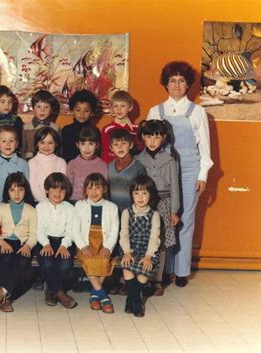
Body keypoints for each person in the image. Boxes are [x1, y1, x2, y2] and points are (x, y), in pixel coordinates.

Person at [147, 61, 213, 287]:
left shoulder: (198, 112)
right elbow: (149, 144)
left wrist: (202, 175)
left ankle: (182, 271)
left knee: (186, 219)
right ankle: (165, 269)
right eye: (172, 80)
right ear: (165, 84)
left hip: (188, 169)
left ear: (188, 85)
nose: (176, 85)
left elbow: (204, 148)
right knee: (165, 217)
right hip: (164, 170)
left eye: (181, 81)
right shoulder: (156, 111)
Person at [135, 120, 180, 295]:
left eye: (156, 136)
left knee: (160, 243)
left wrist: (174, 211)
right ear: (142, 138)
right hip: (145, 204)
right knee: (145, 240)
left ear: (163, 137)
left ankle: (158, 280)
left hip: (165, 203)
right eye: (148, 136)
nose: (152, 140)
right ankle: (143, 278)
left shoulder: (170, 160)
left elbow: (175, 187)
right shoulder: (138, 159)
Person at [0, 172, 37, 313]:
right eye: (12, 190)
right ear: (7, 191)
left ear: (26, 190)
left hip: (23, 244)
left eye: (20, 189)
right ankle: (5, 299)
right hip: (6, 242)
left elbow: (34, 234)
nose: (17, 194)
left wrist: (28, 245)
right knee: (5, 261)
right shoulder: (1, 208)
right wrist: (1, 242)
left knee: (21, 263)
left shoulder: (31, 210)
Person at [107, 128, 146, 295]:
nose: (120, 147)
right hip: (113, 213)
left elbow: (142, 190)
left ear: (131, 145)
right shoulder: (109, 166)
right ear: (111, 148)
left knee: (128, 247)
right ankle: (114, 279)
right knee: (114, 246)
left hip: (130, 214)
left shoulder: (138, 166)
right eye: (116, 144)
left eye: (124, 143)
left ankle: (126, 280)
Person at [73, 173, 119, 313]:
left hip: (103, 243)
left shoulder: (112, 207)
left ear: (104, 189)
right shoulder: (79, 205)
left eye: (98, 188)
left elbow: (114, 231)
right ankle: (103, 295)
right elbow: (75, 230)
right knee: (89, 260)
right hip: (85, 242)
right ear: (85, 190)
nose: (94, 192)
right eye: (90, 188)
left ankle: (94, 294)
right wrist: (83, 247)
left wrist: (108, 247)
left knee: (105, 260)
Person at [119, 175, 161, 317]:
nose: (140, 197)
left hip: (147, 250)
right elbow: (124, 234)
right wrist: (126, 252)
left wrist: (148, 256)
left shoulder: (154, 215)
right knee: (127, 266)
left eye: (144, 193)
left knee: (145, 269)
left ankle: (132, 299)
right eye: (136, 193)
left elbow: (154, 237)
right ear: (132, 195)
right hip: (129, 248)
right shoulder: (127, 212)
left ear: (151, 195)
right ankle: (137, 302)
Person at [36, 173, 77, 309]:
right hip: (45, 240)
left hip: (65, 241)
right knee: (47, 262)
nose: (58, 193)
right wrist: (46, 244)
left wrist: (64, 245)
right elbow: (39, 229)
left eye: (62, 189)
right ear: (47, 190)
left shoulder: (70, 208)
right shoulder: (40, 207)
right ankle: (59, 292)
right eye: (54, 189)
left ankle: (50, 291)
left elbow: (71, 230)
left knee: (65, 264)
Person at [0, 125, 29, 202]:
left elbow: (27, 187)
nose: (8, 144)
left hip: (19, 204)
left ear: (16, 144)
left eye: (11, 141)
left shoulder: (23, 164)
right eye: (3, 141)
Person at [67, 126, 108, 203]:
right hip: (75, 202)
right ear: (77, 145)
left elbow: (104, 190)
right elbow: (68, 189)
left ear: (96, 145)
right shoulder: (72, 164)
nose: (87, 148)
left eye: (91, 144)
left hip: (95, 202)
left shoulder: (102, 165)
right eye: (83, 144)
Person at [100, 90, 142, 163]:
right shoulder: (107, 129)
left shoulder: (136, 129)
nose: (119, 109)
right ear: (111, 108)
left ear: (130, 107)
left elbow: (140, 150)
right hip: (112, 168)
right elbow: (106, 153)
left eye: (123, 106)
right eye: (116, 106)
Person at [61, 89, 100, 162]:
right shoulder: (66, 130)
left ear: (92, 112)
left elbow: (98, 155)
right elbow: (64, 155)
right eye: (78, 110)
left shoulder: (95, 131)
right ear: (72, 110)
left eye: (86, 111)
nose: (82, 114)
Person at [28, 127, 66, 203]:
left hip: (57, 201)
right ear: (37, 144)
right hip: (38, 202)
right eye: (42, 142)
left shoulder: (61, 162)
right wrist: (45, 202)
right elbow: (33, 185)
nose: (46, 146)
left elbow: (61, 185)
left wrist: (54, 200)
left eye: (50, 143)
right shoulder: (32, 162)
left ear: (56, 144)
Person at [21, 90, 60, 159]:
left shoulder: (55, 128)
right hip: (29, 162)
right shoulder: (25, 128)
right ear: (33, 108)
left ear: (51, 109)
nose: (42, 110)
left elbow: (59, 151)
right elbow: (22, 149)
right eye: (38, 107)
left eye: (46, 107)